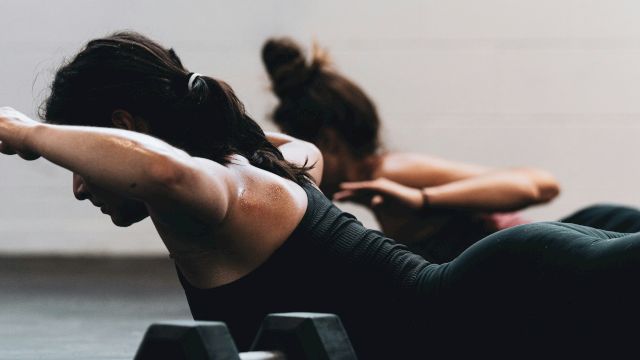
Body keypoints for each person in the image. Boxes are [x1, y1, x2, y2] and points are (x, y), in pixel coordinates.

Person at [2, 32, 640, 358]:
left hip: (499, 304)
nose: (82, 184)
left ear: (127, 131)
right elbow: (297, 149)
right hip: (508, 289)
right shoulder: (261, 162)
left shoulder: (217, 189)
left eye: (81, 159)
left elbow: (165, 172)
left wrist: (29, 134)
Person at [261, 38, 640, 263]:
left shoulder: (392, 172)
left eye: (298, 152)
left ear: (328, 142)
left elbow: (540, 184)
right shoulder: (378, 189)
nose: (294, 167)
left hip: (578, 250)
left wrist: (423, 199)